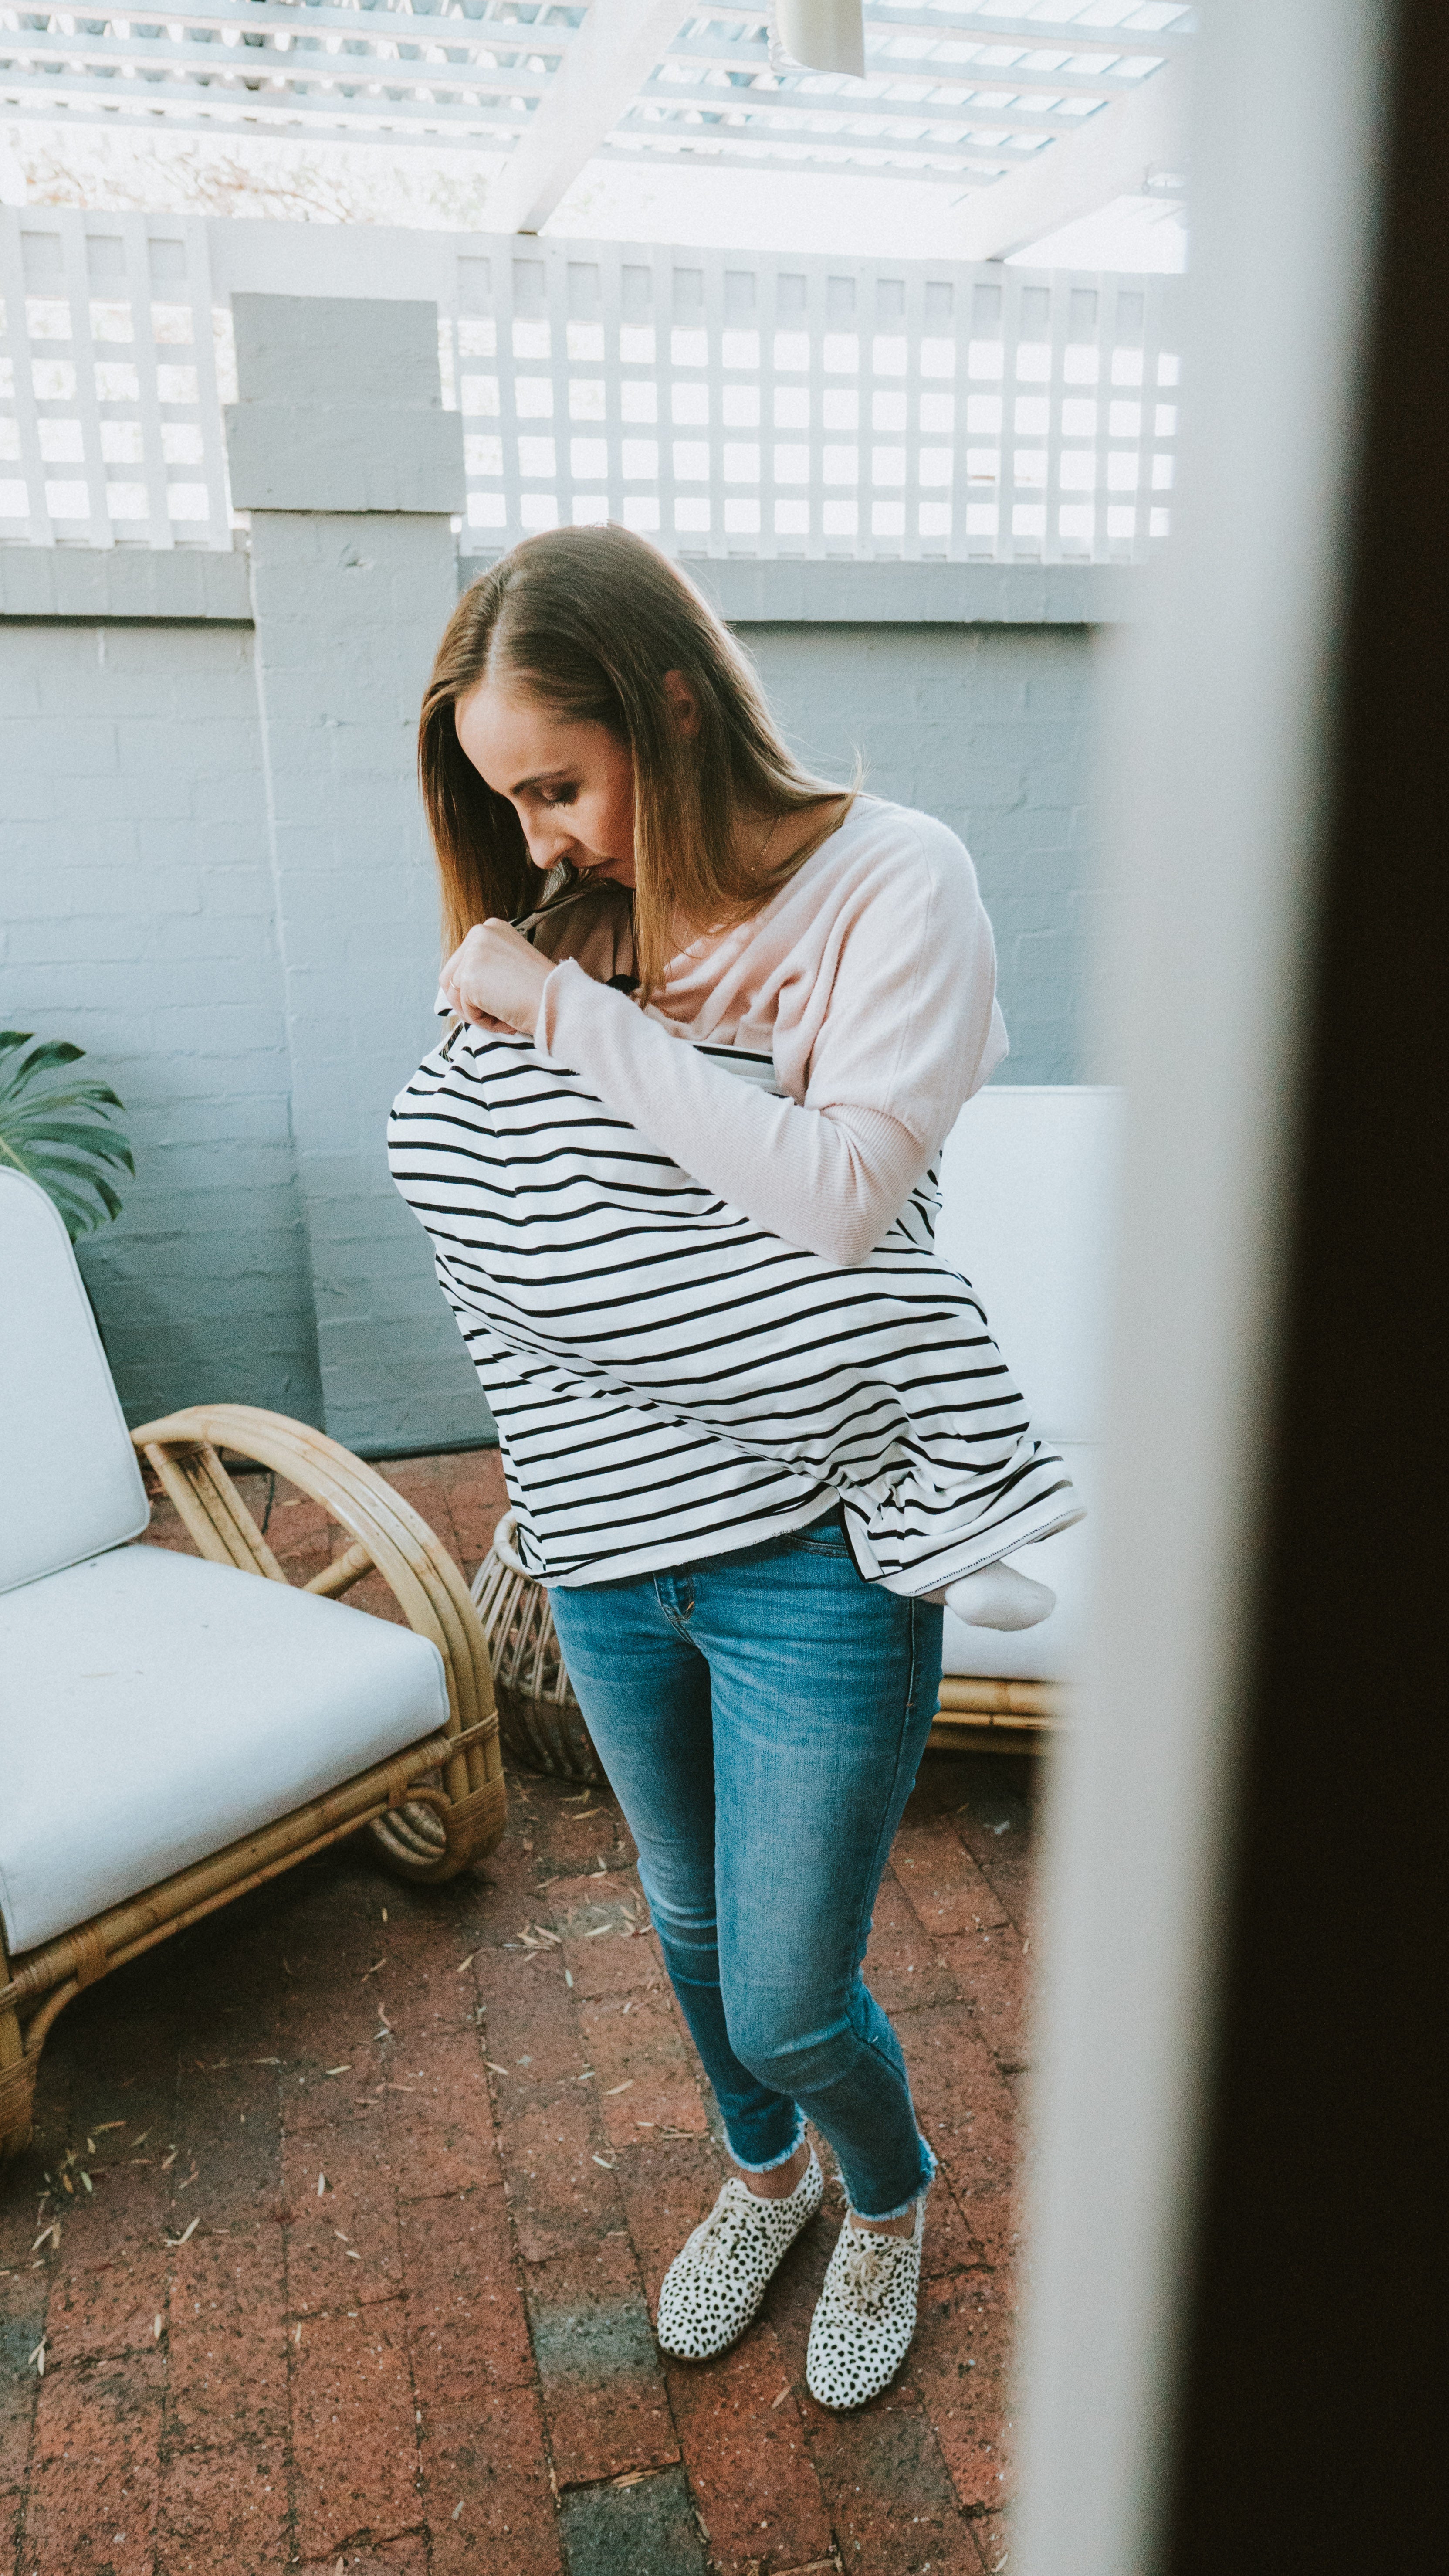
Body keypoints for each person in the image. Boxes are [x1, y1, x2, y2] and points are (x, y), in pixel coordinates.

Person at [389, 525, 1076, 2410]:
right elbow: (523, 1213)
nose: (537, 839)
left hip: (816, 1553)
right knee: (687, 1930)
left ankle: (882, 2193)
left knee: (786, 1983)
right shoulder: (584, 911)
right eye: (506, 797)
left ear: (671, 703)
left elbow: (845, 1202)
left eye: (557, 783)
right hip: (606, 1538)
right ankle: (761, 2169)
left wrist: (573, 1022)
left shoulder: (893, 883)